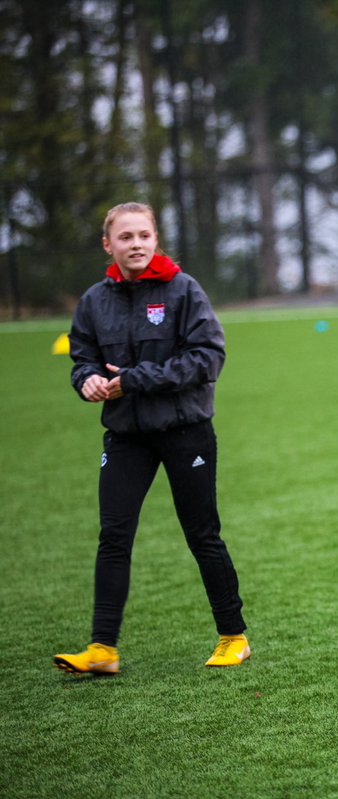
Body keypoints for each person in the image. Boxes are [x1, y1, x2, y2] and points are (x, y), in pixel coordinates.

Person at [54, 202, 249, 675]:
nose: (136, 244)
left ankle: (233, 637)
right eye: (126, 237)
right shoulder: (94, 301)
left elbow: (208, 358)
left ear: (156, 239)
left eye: (144, 235)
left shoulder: (183, 290)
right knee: (113, 536)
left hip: (186, 431)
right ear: (108, 245)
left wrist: (135, 379)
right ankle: (102, 649)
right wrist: (86, 380)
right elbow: (82, 358)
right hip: (127, 436)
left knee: (202, 535)